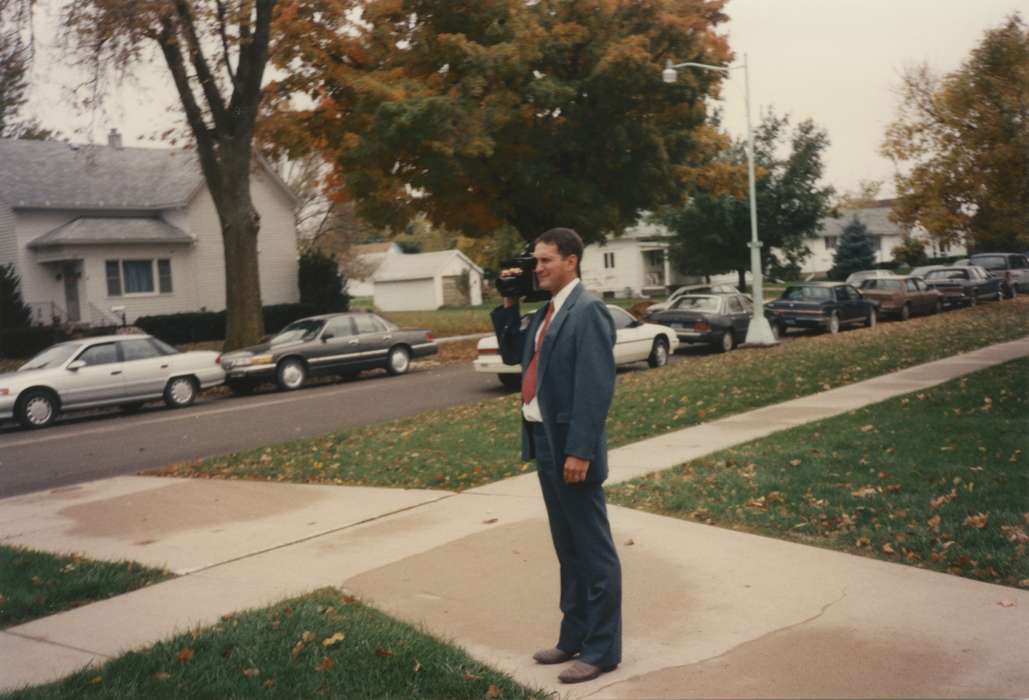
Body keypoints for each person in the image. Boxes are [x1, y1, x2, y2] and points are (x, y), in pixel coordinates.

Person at [490, 227, 622, 684]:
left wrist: (581, 450)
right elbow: (512, 354)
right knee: (568, 549)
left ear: (571, 261)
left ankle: (603, 649)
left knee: (593, 551)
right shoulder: (547, 312)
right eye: (535, 261)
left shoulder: (588, 311)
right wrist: (509, 303)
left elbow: (595, 387)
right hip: (545, 445)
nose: (537, 268)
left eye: (545, 261)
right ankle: (574, 636)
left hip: (571, 450)